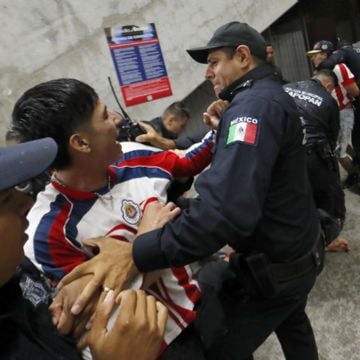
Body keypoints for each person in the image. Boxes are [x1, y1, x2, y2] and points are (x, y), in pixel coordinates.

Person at [61, 22, 324, 360]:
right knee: (295, 327)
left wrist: (138, 252)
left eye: (214, 62)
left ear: (243, 57)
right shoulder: (265, 96)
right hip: (297, 255)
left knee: (213, 347)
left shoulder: (252, 108)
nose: (207, 73)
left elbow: (225, 213)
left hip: (276, 272)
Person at [11, 78, 215, 359]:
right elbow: (94, 313)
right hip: (153, 347)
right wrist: (148, 242)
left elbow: (187, 161)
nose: (118, 120)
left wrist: (221, 124)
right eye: (105, 115)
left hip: (197, 306)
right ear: (81, 143)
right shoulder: (46, 232)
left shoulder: (136, 155)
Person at [0, 137, 168, 360]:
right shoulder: (48, 231)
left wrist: (72, 292)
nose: (26, 203)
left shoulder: (15, 268)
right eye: (5, 200)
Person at [284, 69, 348, 252]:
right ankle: (327, 241)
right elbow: (331, 137)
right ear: (329, 86)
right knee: (327, 199)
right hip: (311, 154)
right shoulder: (328, 100)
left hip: (282, 152)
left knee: (291, 199)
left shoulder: (285, 87)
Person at [306, 40, 360, 188]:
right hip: (337, 114)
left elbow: (354, 90)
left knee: (339, 152)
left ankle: (355, 177)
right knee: (344, 145)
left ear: (324, 54)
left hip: (343, 113)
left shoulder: (338, 68)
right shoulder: (326, 70)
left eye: (315, 55)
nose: (312, 58)